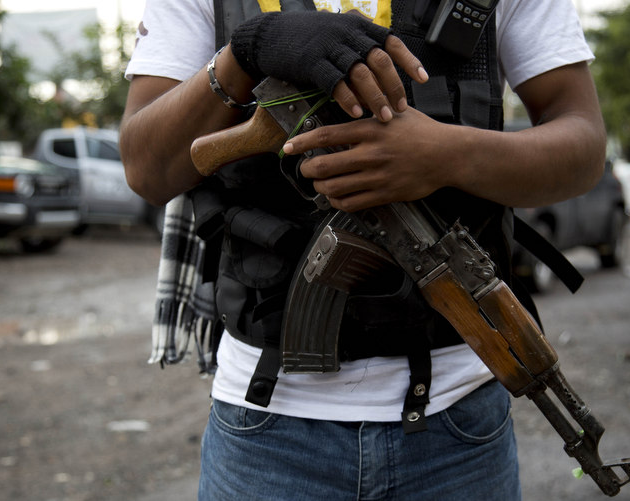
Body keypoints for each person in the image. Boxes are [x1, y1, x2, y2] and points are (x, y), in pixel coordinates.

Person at [120, 0, 605, 498]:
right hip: (266, 431)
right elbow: (147, 168)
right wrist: (246, 53)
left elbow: (584, 149)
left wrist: (446, 156)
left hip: (459, 429)